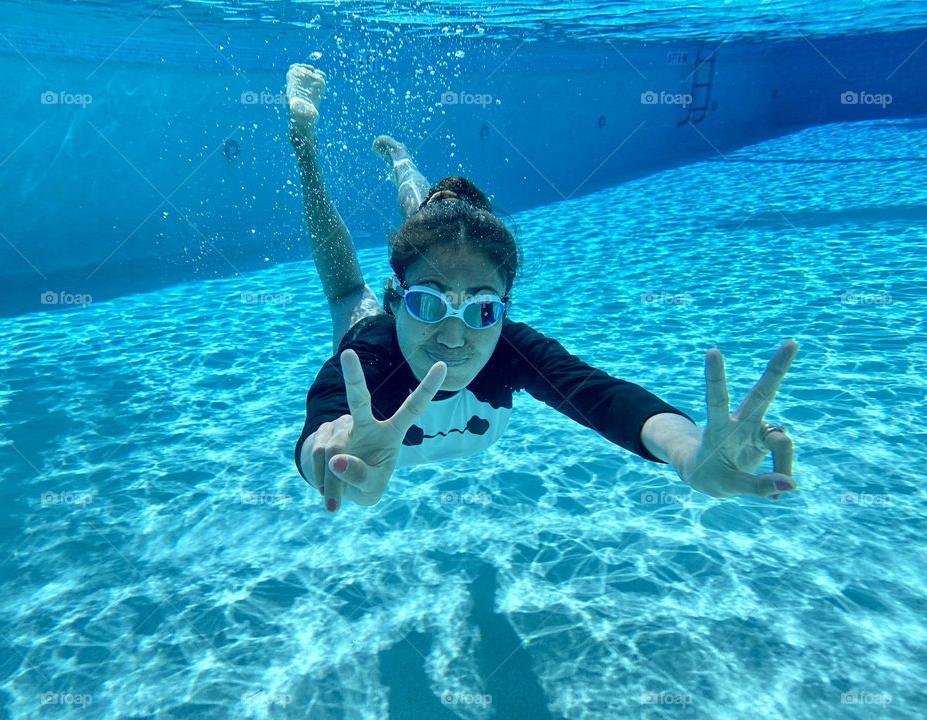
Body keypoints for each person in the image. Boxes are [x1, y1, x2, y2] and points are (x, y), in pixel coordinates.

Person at [286, 63, 800, 514]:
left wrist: (688, 450)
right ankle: (305, 149)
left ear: (504, 308)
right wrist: (326, 458)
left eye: (482, 310)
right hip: (383, 315)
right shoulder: (370, 354)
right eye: (426, 303)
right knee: (346, 289)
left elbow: (597, 393)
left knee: (428, 238)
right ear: (399, 299)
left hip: (432, 270)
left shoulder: (510, 348)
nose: (452, 335)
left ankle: (405, 165)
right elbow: (328, 422)